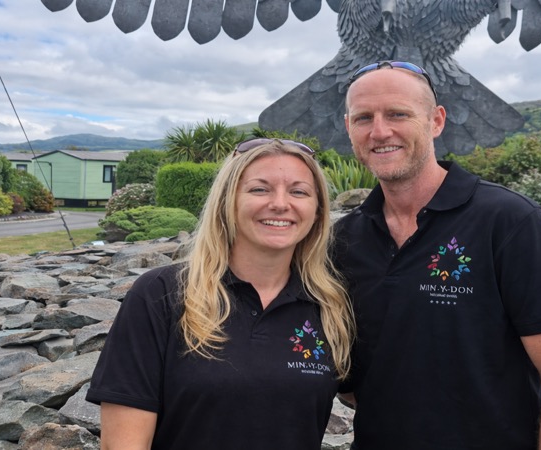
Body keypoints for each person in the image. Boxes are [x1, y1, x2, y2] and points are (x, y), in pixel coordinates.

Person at [333, 61, 541, 449]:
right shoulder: (345, 239)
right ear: (348, 129)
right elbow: (351, 376)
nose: (379, 131)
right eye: (363, 118)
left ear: (436, 121)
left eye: (397, 114)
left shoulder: (511, 222)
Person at [86, 138, 354, 449]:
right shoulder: (162, 294)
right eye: (259, 189)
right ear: (228, 200)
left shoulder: (330, 305)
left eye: (299, 191)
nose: (281, 203)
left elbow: (377, 394)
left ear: (318, 209)